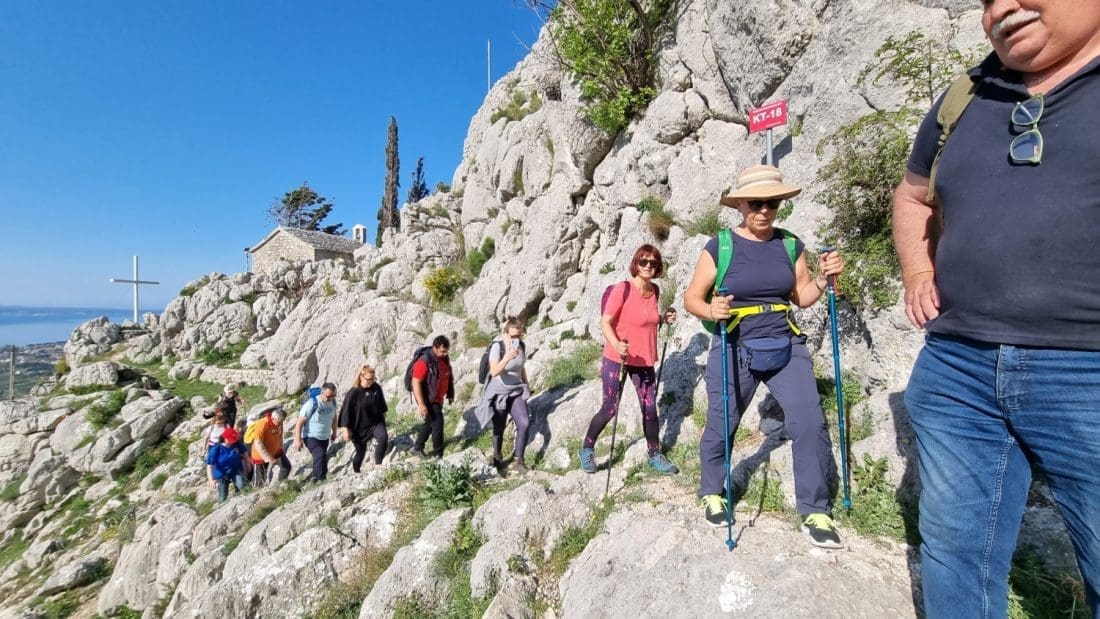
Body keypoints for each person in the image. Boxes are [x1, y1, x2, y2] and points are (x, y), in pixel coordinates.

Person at [892, 2, 1100, 614]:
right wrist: (918, 270)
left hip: (1088, 370)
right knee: (954, 552)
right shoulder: (965, 97)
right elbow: (912, 197)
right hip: (958, 368)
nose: (1002, 7)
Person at [682, 164, 845, 548]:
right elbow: (692, 297)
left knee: (809, 422)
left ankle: (815, 509)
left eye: (772, 203)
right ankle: (712, 490)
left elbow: (801, 296)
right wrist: (711, 311)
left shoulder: (790, 245)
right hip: (734, 345)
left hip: (785, 344)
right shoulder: (720, 246)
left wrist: (823, 279)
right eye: (755, 203)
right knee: (723, 420)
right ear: (740, 205)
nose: (764, 210)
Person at [579, 244, 680, 476]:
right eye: (643, 261)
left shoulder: (655, 291)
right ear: (636, 263)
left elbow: (646, 320)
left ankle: (655, 455)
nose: (648, 266)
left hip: (644, 360)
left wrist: (663, 318)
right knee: (609, 409)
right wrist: (616, 344)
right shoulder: (623, 289)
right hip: (618, 358)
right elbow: (606, 321)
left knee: (650, 409)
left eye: (653, 263)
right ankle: (587, 449)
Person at [474, 317, 532, 474]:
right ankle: (497, 458)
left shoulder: (522, 346)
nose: (516, 339)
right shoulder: (497, 347)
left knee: (524, 423)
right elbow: (494, 371)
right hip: (499, 392)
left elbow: (521, 368)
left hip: (516, 390)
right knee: (499, 427)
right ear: (505, 334)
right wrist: (507, 357)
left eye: (519, 336)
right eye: (513, 336)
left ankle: (518, 461)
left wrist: (526, 385)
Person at [410, 335, 454, 459]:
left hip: (437, 397)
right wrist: (421, 404)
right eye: (443, 351)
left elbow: (447, 375)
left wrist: (450, 393)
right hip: (428, 398)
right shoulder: (424, 361)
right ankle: (438, 455)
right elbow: (416, 382)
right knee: (438, 423)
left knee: (430, 422)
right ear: (435, 347)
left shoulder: (442, 358)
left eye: (446, 351)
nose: (445, 354)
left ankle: (417, 448)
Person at [338, 365, 389, 472]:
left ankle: (378, 465)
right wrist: (345, 430)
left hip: (375, 423)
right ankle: (356, 471)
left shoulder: (376, 388)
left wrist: (383, 417)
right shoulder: (353, 392)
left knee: (383, 437)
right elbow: (345, 412)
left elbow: (381, 405)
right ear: (361, 377)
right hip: (358, 427)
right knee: (361, 451)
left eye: (373, 379)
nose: (371, 381)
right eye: (369, 379)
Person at [295, 382, 339, 482]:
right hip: (310, 436)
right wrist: (298, 440)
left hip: (325, 437)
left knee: (320, 456)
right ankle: (322, 478)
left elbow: (334, 418)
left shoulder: (332, 402)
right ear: (322, 393)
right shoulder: (312, 403)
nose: (330, 398)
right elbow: (299, 422)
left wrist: (334, 432)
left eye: (333, 396)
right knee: (320, 454)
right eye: (328, 396)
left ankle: (314, 478)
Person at [250, 407, 291, 487]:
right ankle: (256, 492)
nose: (280, 424)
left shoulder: (279, 422)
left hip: (276, 451)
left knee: (286, 467)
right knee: (260, 480)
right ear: (272, 418)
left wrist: (281, 448)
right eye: (279, 422)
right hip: (260, 455)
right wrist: (269, 458)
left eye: (282, 422)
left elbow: (280, 436)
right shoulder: (262, 424)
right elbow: (258, 443)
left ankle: (281, 486)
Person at [206, 427, 246, 503]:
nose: (231, 442)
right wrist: (211, 480)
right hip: (221, 474)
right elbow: (209, 466)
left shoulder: (237, 444)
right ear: (224, 438)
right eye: (230, 440)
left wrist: (248, 465)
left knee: (242, 487)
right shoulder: (216, 448)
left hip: (236, 470)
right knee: (223, 495)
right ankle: (221, 506)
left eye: (233, 440)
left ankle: (240, 503)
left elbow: (245, 455)